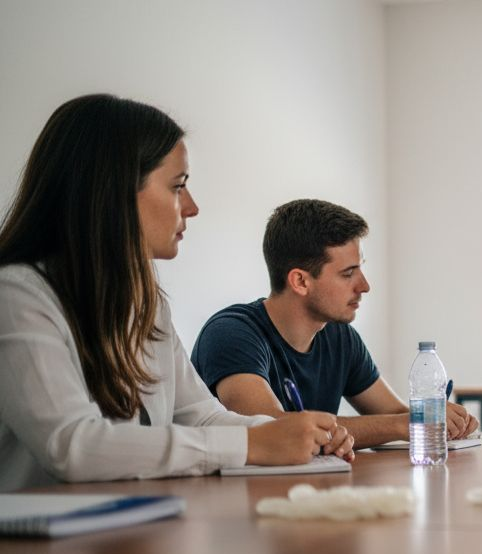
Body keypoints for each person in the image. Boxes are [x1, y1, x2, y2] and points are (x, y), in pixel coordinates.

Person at [0, 95, 350, 491]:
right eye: (178, 186)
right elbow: (72, 445)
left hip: (125, 533)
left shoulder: (146, 303)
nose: (192, 207)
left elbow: (200, 416)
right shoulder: (17, 296)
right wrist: (251, 443)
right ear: (113, 192)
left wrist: (298, 435)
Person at [190, 199, 477, 448]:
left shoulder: (340, 337)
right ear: (300, 281)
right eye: (348, 273)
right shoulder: (231, 334)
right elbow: (271, 428)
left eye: (360, 269)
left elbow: (395, 414)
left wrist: (445, 421)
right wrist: (407, 423)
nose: (364, 286)